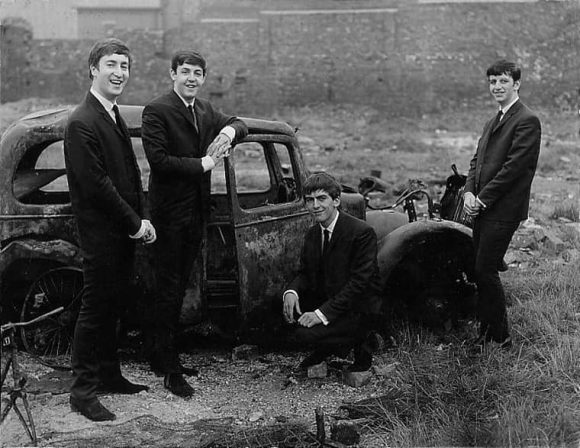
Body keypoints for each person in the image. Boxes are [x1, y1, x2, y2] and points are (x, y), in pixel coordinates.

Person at [142, 50, 248, 398]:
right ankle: (169, 369)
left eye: (197, 73)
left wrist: (230, 131)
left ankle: (161, 356)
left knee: (179, 287)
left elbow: (238, 121)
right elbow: (158, 161)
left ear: (203, 79)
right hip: (168, 218)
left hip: (195, 217)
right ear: (172, 74)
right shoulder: (157, 110)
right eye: (185, 71)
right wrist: (203, 163)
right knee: (167, 289)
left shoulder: (203, 110)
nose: (191, 78)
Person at [64, 38, 156, 422]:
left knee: (113, 304)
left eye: (125, 66)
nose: (119, 73)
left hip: (119, 232)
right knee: (96, 308)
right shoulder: (82, 121)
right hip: (103, 234)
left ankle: (109, 374)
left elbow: (127, 176)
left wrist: (136, 220)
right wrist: (135, 223)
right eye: (111, 65)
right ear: (93, 69)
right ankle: (83, 392)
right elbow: (97, 184)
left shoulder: (111, 113)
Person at [464, 59, 541, 348]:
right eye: (492, 82)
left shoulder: (527, 120)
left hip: (503, 210)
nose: (496, 87)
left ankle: (499, 338)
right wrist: (468, 193)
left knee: (485, 269)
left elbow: (514, 169)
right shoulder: (492, 120)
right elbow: (477, 161)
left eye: (503, 81)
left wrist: (481, 200)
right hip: (482, 206)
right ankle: (486, 333)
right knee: (480, 268)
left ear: (516, 84)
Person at [282, 172, 382, 373]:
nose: (315, 206)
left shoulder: (361, 232)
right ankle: (329, 346)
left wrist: (320, 315)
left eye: (321, 199)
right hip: (333, 302)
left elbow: (359, 284)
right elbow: (304, 273)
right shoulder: (313, 234)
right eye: (310, 200)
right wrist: (291, 292)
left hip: (356, 309)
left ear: (336, 200)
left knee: (303, 335)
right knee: (282, 317)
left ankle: (360, 342)